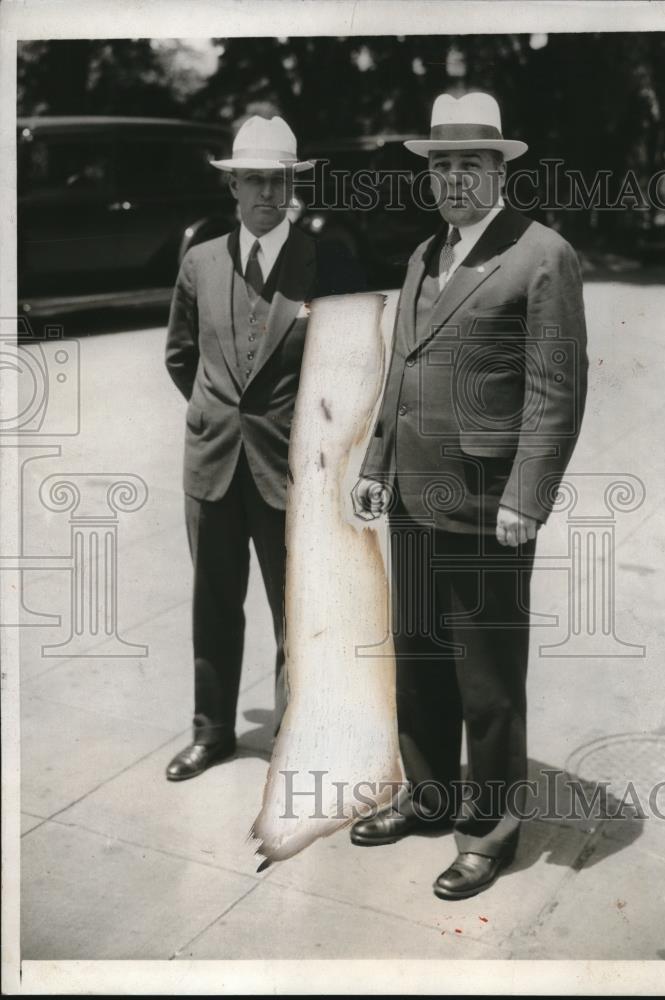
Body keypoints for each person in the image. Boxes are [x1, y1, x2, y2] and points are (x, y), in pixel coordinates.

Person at [350, 92, 588, 900]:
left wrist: (527, 494)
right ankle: (427, 796)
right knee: (418, 659)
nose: (452, 179)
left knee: (485, 678)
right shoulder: (426, 253)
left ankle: (488, 830)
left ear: (499, 171)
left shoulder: (540, 254)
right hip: (413, 495)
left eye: (469, 165)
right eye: (441, 165)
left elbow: (554, 389)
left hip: (489, 503)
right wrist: (375, 464)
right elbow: (401, 367)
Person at [165, 114, 361, 781]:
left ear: (293, 186)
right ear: (233, 187)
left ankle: (295, 737)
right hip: (213, 462)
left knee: (296, 611)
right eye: (254, 180)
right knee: (213, 603)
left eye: (279, 181)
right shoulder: (199, 260)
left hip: (291, 468)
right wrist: (218, 414)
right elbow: (180, 356)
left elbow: (349, 368)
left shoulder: (328, 259)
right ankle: (212, 731)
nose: (267, 194)